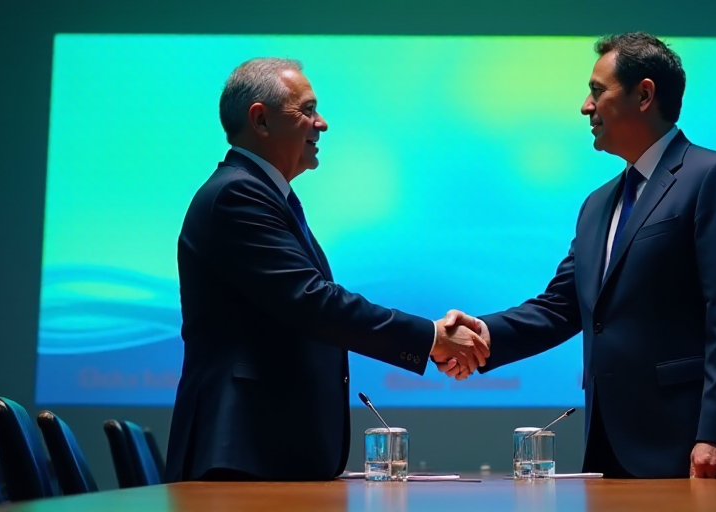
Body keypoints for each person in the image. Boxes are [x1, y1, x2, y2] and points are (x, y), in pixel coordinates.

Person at [438, 33, 716, 481]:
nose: (585, 106)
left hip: (692, 444)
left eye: (598, 91)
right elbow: (561, 306)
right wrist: (485, 334)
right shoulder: (598, 204)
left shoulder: (712, 177)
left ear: (645, 95)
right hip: (611, 446)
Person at [165, 58, 489, 482]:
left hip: (264, 453)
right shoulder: (237, 195)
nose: (322, 123)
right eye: (307, 110)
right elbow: (314, 303)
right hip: (241, 454)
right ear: (260, 120)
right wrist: (430, 338)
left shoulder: (266, 195)